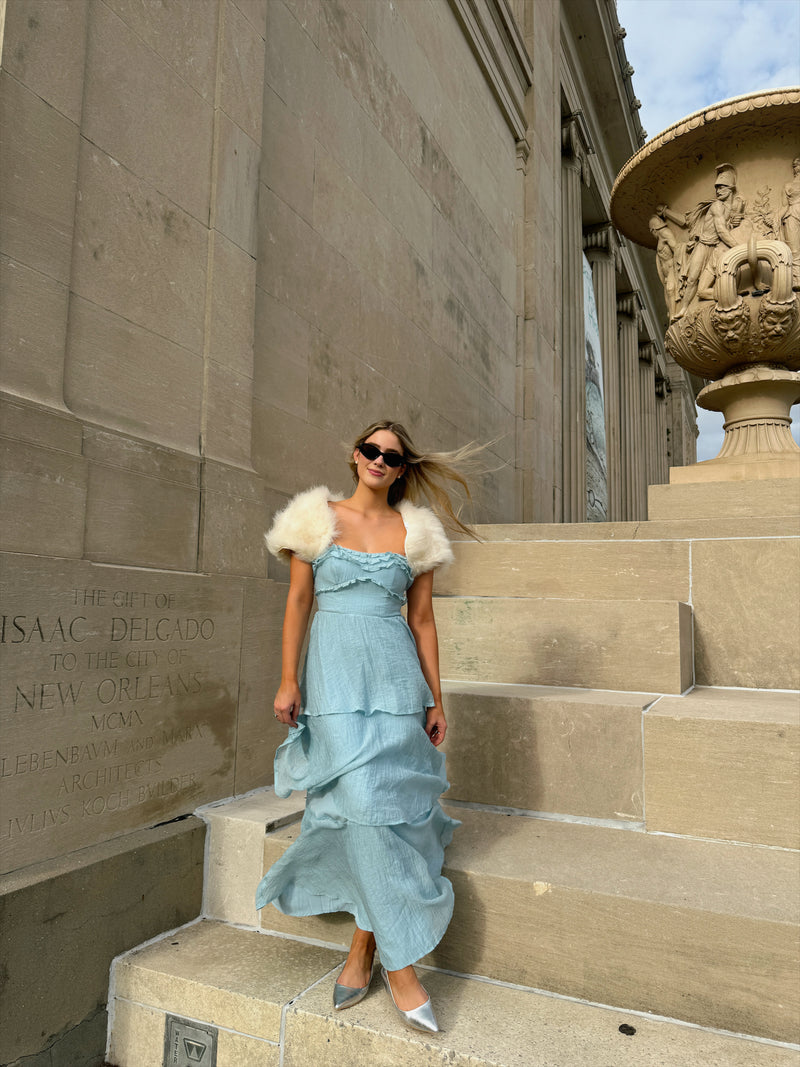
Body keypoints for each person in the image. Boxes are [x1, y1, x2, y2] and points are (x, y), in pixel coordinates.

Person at [256, 420, 475, 1034]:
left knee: (383, 811)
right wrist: (288, 678)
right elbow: (298, 604)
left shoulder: (418, 532)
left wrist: (436, 698)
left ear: (402, 469)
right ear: (355, 456)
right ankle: (402, 966)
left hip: (397, 685)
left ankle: (364, 949)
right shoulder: (313, 518)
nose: (380, 460)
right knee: (356, 805)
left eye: (393, 456)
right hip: (333, 685)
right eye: (372, 450)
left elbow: (424, 621)